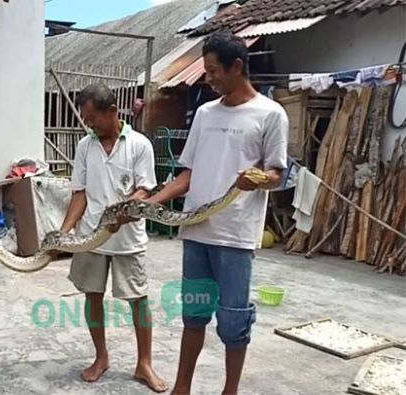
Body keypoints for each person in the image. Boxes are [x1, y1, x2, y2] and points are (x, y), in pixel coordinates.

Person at [146, 32, 288, 395]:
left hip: (236, 237)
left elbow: (277, 173)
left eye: (212, 70)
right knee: (193, 316)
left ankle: (230, 391)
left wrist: (258, 179)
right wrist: (153, 202)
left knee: (233, 322)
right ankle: (182, 388)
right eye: (206, 70)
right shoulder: (205, 114)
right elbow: (187, 175)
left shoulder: (271, 114)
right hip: (196, 232)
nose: (207, 77)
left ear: (237, 66)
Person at [59, 83, 168, 392]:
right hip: (91, 236)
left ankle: (144, 364)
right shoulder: (85, 146)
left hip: (128, 235)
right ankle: (101, 356)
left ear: (112, 112)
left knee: (138, 300)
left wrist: (126, 210)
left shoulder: (139, 145)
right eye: (85, 118)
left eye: (93, 117)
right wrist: (64, 234)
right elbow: (79, 194)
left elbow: (145, 189)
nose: (89, 123)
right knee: (92, 296)